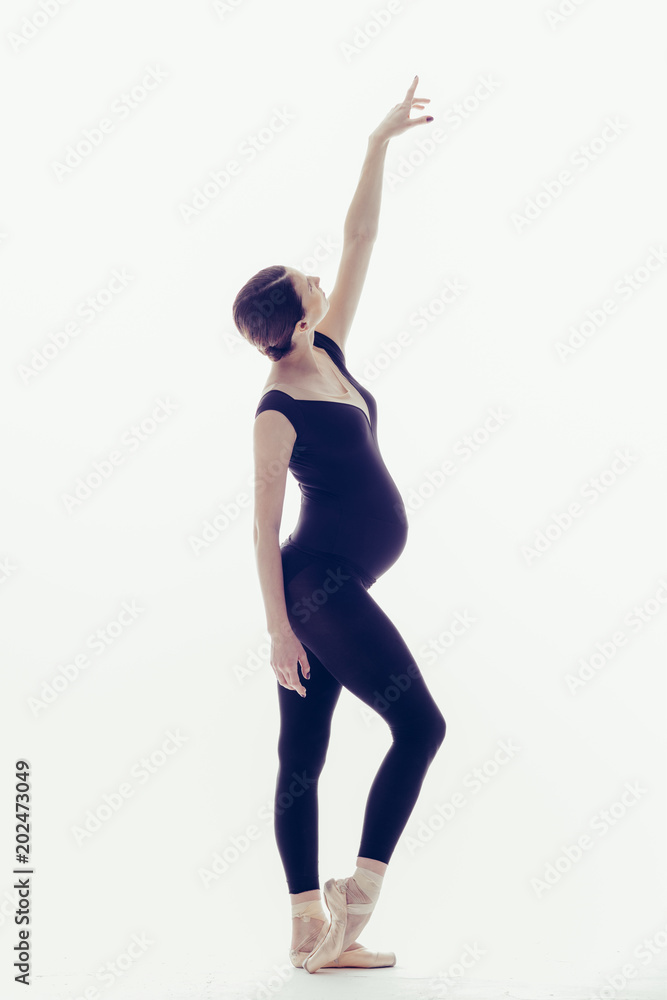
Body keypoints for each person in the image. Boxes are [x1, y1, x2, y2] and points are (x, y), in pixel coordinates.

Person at [233, 76, 446, 974]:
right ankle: (349, 909)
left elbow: (359, 238)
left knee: (305, 752)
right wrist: (279, 628)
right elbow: (259, 525)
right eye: (304, 278)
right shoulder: (276, 405)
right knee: (421, 728)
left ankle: (304, 937)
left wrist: (376, 141)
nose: (319, 274)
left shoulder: (325, 351)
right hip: (313, 585)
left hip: (333, 582)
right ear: (290, 315)